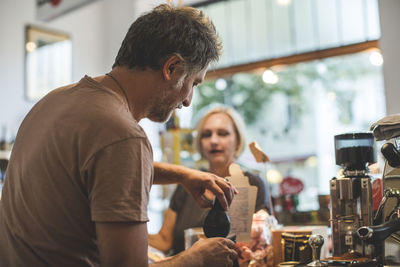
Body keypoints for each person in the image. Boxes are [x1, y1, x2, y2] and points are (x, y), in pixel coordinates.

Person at [0, 5, 239, 267]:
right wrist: (197, 258)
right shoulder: (124, 136)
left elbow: (94, 169)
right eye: (193, 83)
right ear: (171, 67)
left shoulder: (54, 101)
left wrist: (182, 175)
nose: (188, 101)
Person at [149, 106, 270, 255]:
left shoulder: (252, 184)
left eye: (223, 133)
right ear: (200, 142)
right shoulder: (187, 184)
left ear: (238, 140)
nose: (213, 140)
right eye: (207, 135)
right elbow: (164, 240)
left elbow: (262, 239)